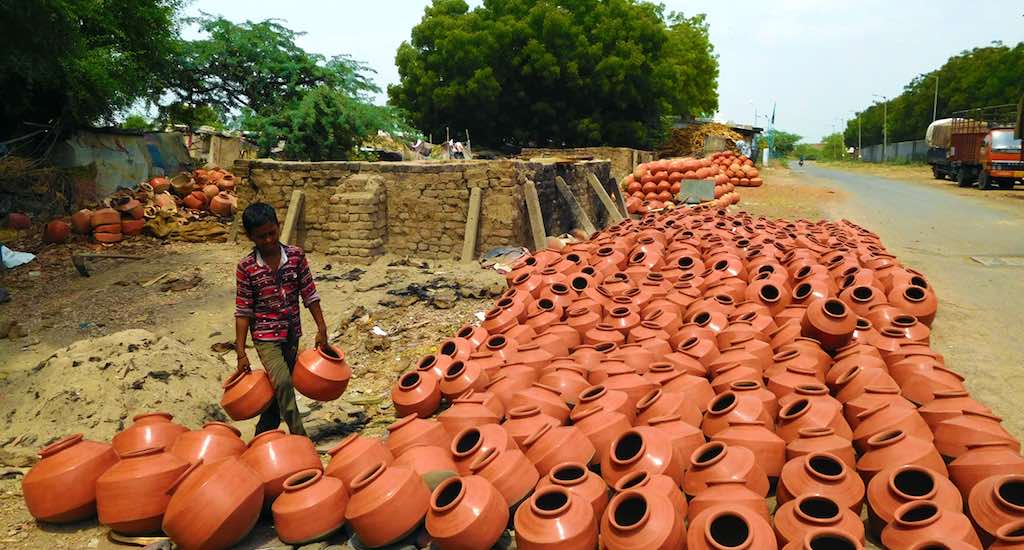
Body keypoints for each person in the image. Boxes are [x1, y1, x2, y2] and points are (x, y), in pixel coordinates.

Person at [234, 203, 328, 436]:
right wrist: (241, 352)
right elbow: (243, 310)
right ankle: (300, 437)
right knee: (284, 383)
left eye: (271, 233)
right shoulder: (246, 268)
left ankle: (262, 435)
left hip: (291, 332)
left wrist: (321, 327)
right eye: (260, 237)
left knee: (279, 387)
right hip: (265, 337)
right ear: (250, 236)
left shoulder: (296, 256)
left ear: (278, 226)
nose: (267, 240)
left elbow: (309, 293)